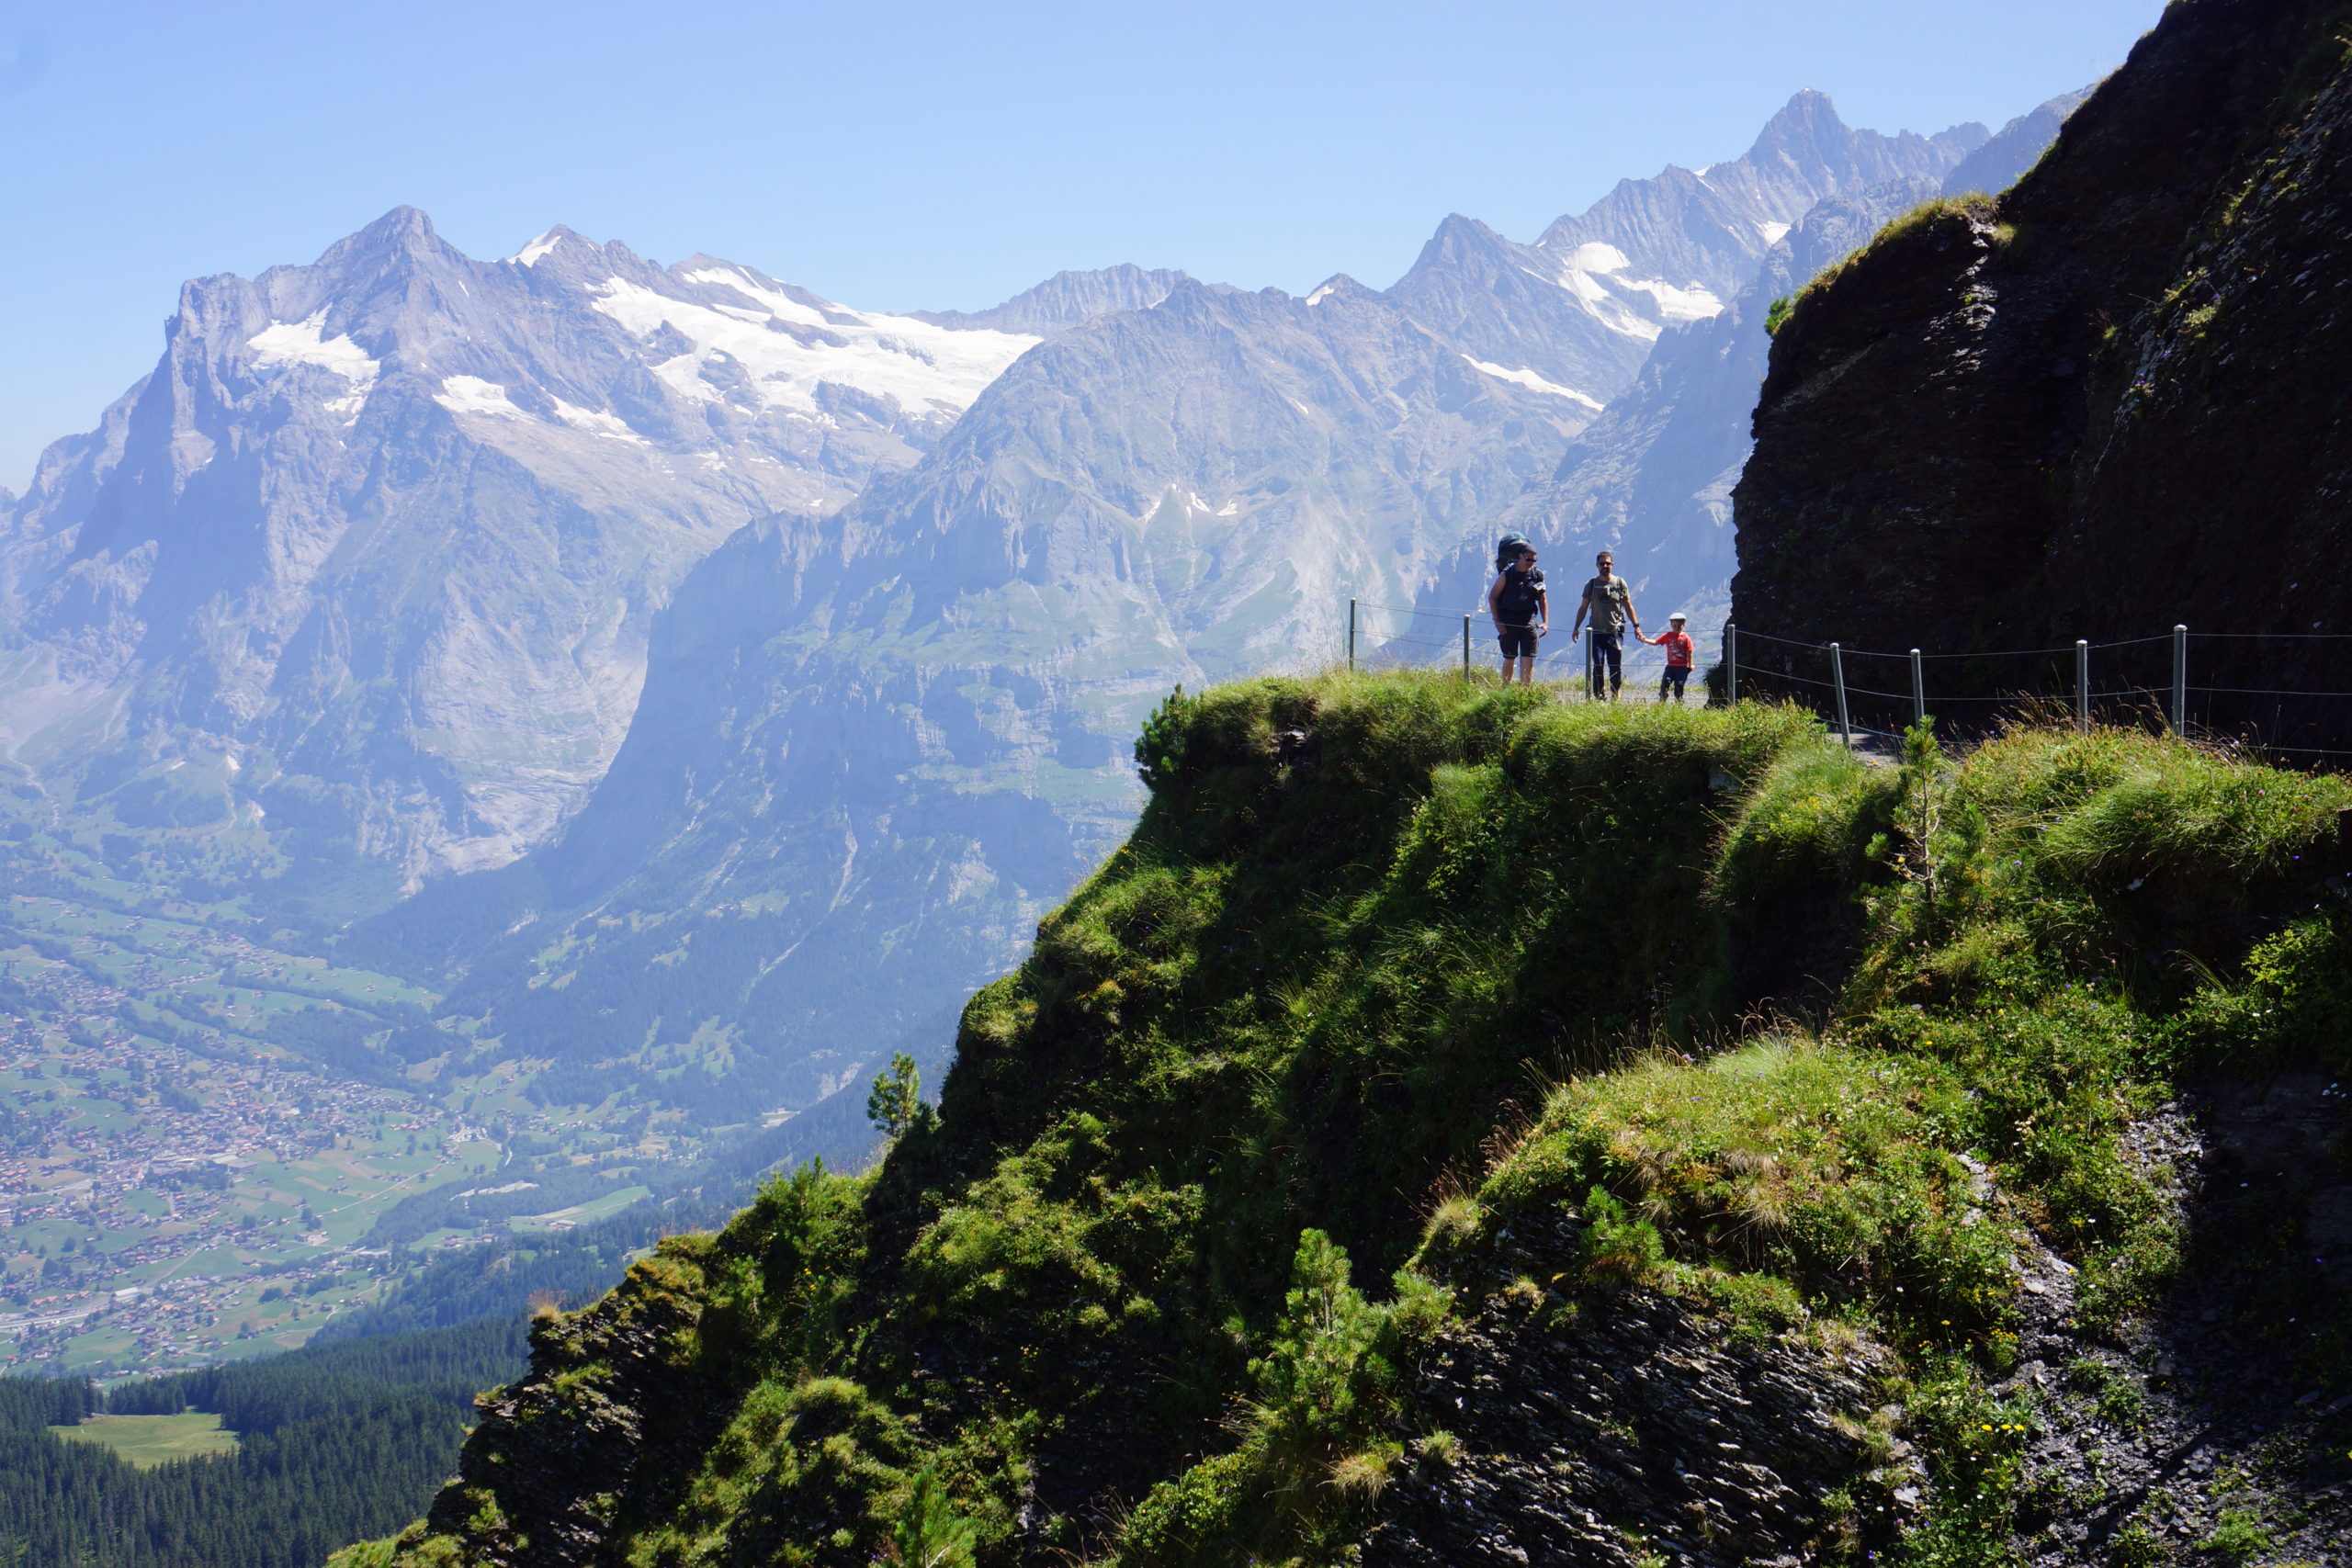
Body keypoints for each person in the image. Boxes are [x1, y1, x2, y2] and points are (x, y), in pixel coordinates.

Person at [1569, 550, 1640, 700]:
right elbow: (1583, 607)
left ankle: (1616, 694)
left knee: (1615, 666)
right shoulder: (1592, 585)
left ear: (1612, 565)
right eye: (1602, 563)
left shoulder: (1620, 583)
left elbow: (1628, 605)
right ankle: (1599, 696)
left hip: (1615, 631)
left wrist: (1636, 626)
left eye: (1608, 563)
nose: (1605, 566)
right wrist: (1576, 627)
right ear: (1597, 565)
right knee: (1598, 665)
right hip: (1596, 632)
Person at [1487, 542, 1547, 685]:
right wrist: (1498, 621)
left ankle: (1525, 692)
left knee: (1529, 657)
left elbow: (1543, 599)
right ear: (1520, 556)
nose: (1530, 563)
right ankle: (1506, 689)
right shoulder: (1507, 575)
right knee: (1509, 657)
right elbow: (1493, 597)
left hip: (1529, 621)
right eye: (1528, 559)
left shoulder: (1537, 575)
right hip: (1509, 621)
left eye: (1533, 560)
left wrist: (1545, 621)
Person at [1643, 612, 1696, 703]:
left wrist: (1691, 664)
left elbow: (1689, 651)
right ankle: (1663, 697)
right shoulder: (1668, 635)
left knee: (1679, 684)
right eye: (1674, 625)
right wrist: (1644, 639)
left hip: (1682, 667)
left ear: (1683, 625)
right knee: (1666, 681)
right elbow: (1656, 642)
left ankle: (1679, 700)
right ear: (1671, 624)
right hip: (1671, 666)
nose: (1676, 627)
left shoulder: (1686, 638)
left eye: (1679, 626)